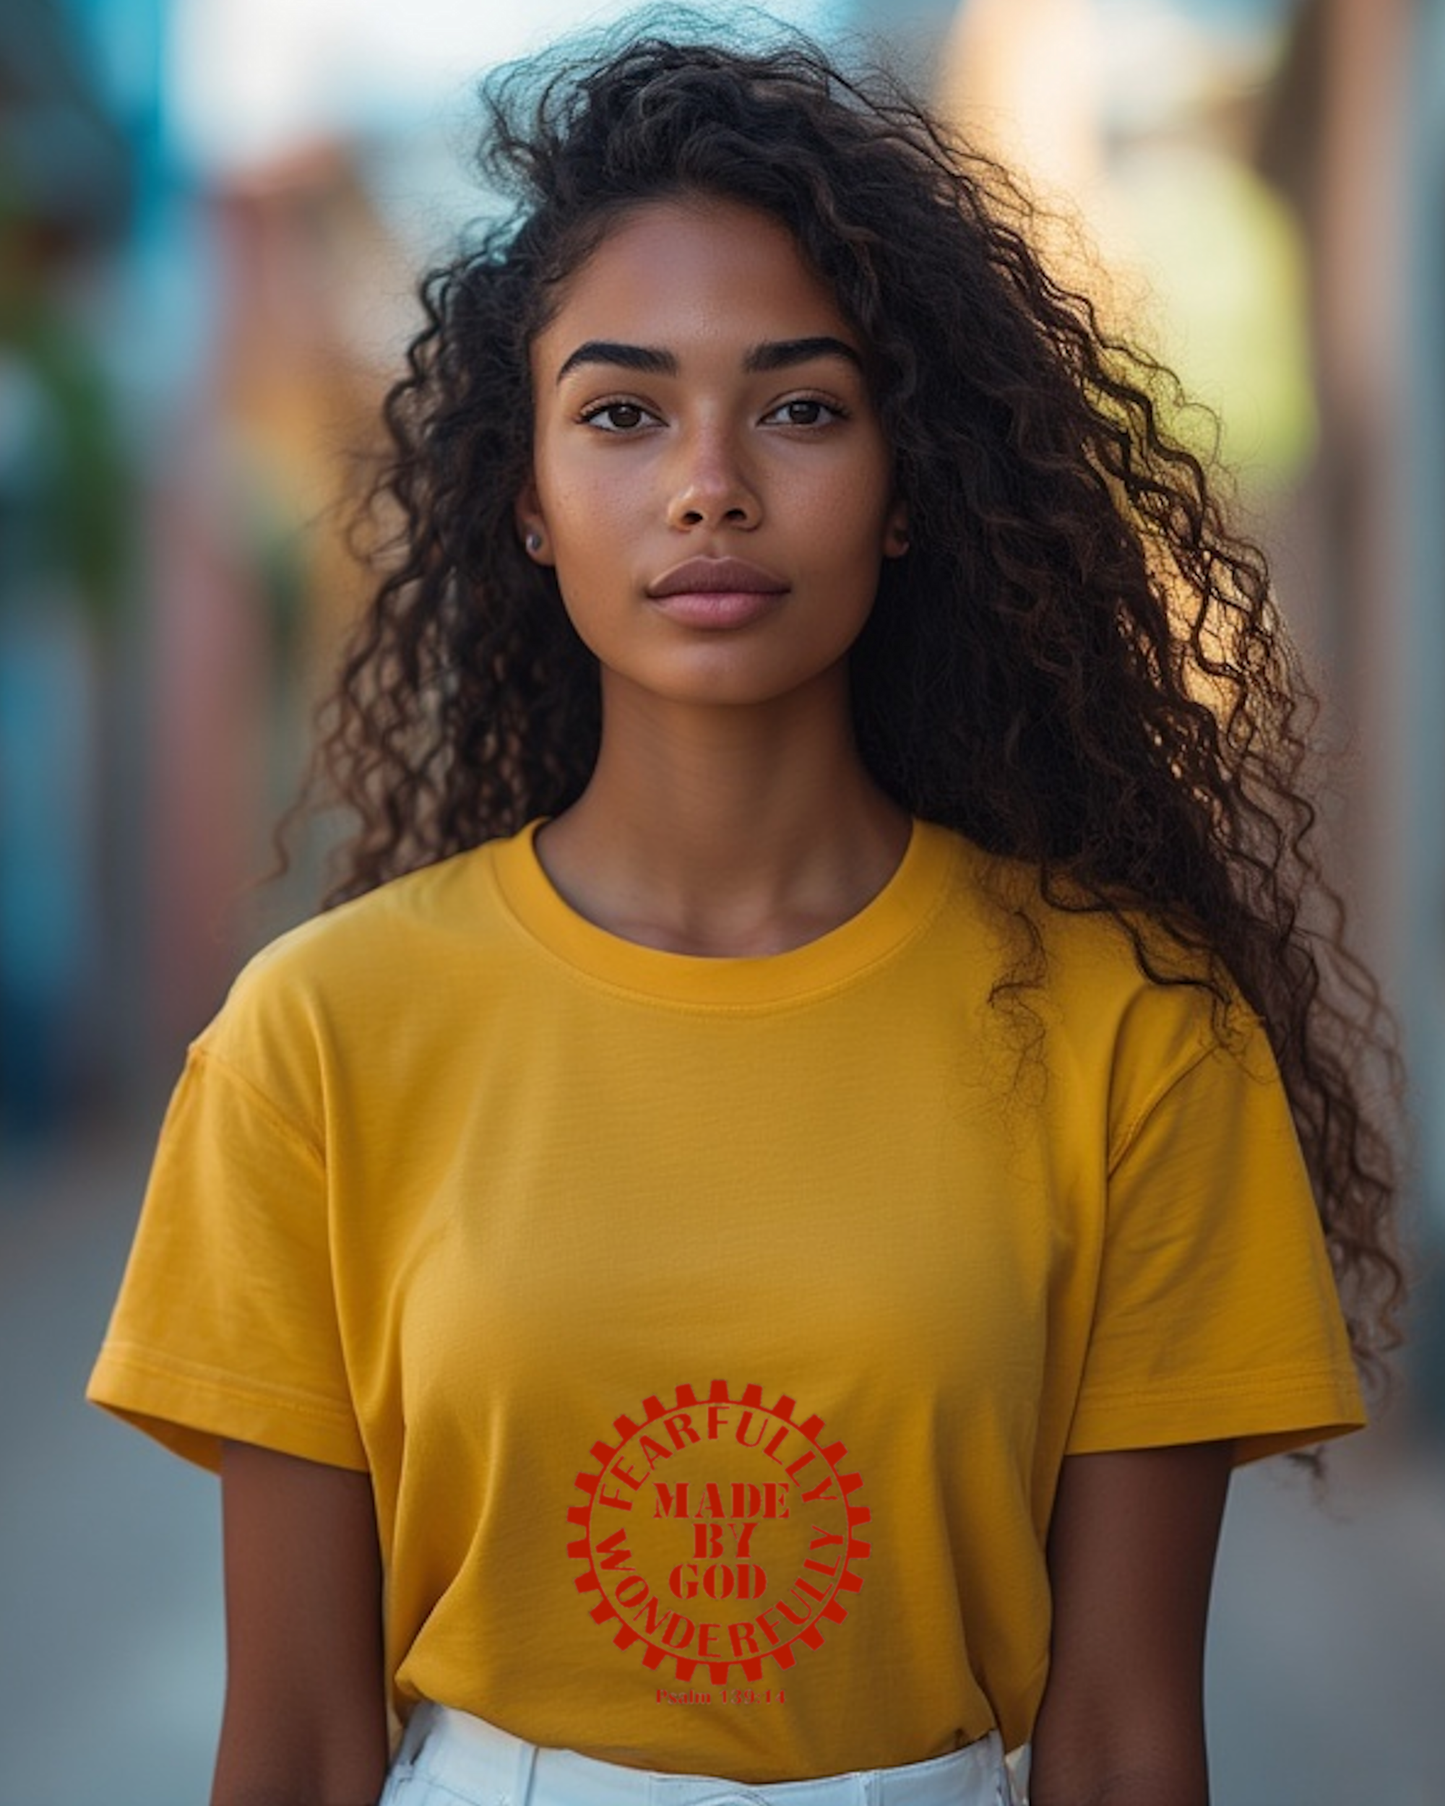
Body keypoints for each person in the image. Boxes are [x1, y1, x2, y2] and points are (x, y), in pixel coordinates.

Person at [88, 18, 1405, 1806]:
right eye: (622, 412)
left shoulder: (1137, 1031)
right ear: (529, 501)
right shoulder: (315, 1040)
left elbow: (1118, 1742)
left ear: (910, 485)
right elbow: (302, 1742)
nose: (710, 481)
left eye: (800, 407)